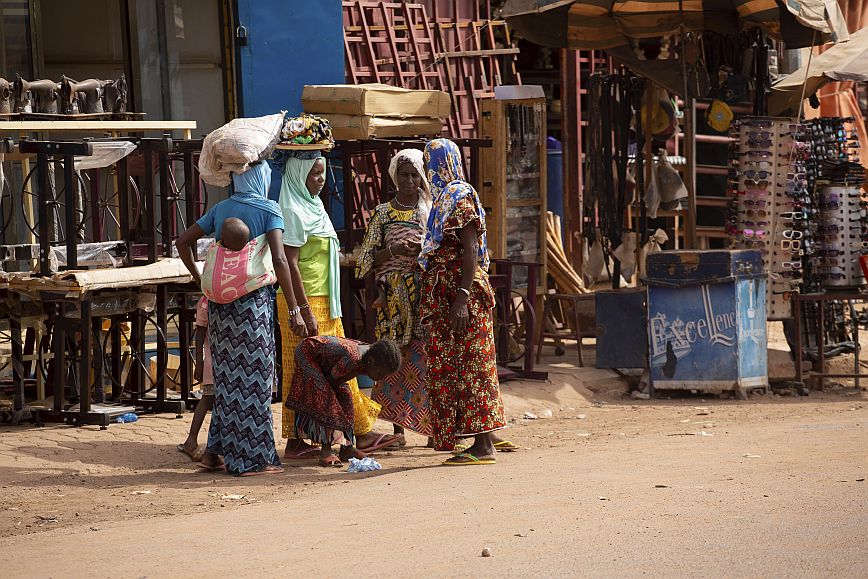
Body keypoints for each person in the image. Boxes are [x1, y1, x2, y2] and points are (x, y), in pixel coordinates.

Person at [176, 161, 297, 476]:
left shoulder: (221, 208)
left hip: (220, 310)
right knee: (255, 383)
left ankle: (214, 453)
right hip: (252, 309)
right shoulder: (269, 209)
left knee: (227, 383)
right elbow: (281, 259)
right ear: (261, 177)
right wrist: (296, 307)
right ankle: (252, 459)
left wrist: (198, 276)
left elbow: (182, 241)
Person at [276, 152, 400, 458]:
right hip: (306, 301)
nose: (321, 180)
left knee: (341, 367)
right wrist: (300, 310)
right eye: (314, 174)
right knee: (303, 370)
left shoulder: (315, 205)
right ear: (297, 175)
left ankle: (354, 432)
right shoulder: (291, 209)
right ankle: (301, 439)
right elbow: (289, 264)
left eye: (322, 174)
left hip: (326, 300)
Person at [418, 138, 507, 466]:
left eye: (429, 164)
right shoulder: (445, 199)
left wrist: (462, 298)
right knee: (460, 368)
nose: (428, 172)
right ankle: (482, 435)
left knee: (472, 368)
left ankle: (484, 445)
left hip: (462, 298)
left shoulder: (457, 197)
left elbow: (470, 249)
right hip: (451, 298)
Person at [356, 148, 433, 445]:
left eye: (415, 175)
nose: (410, 180)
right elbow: (365, 259)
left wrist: (420, 253)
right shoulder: (383, 214)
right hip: (391, 299)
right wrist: (393, 252)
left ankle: (429, 430)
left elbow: (439, 249)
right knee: (393, 358)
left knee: (425, 359)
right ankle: (397, 431)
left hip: (422, 296)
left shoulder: (429, 211)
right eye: (404, 174)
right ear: (394, 176)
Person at [285, 337, 402, 467]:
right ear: (371, 361)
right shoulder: (353, 358)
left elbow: (341, 379)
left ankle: (347, 448)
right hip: (306, 353)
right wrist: (332, 400)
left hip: (326, 363)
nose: (381, 378)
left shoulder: (371, 357)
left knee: (346, 398)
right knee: (326, 397)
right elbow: (331, 382)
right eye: (381, 373)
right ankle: (326, 450)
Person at [176, 296, 214, 462]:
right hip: (212, 363)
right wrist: (199, 362)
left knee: (209, 399)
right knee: (207, 398)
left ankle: (193, 441)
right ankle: (191, 440)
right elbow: (199, 334)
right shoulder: (206, 303)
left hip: (218, 362)